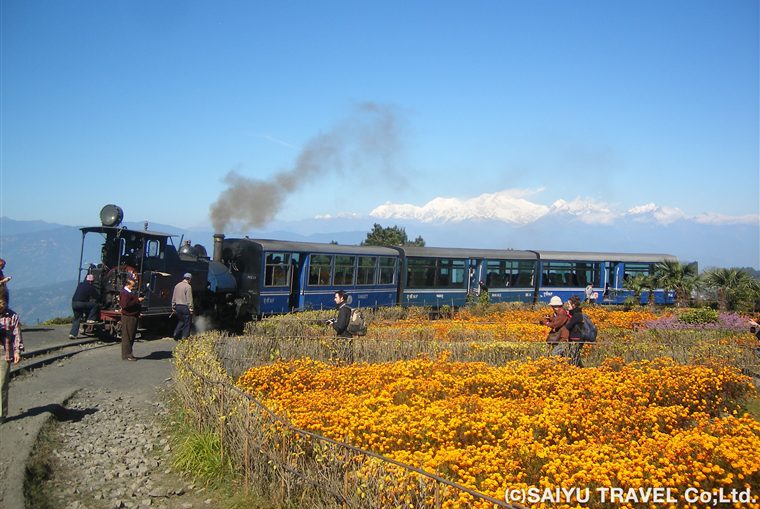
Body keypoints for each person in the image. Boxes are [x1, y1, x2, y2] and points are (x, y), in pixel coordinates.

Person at [0, 297, 23, 424]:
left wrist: (17, 351)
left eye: (3, 301)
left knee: (2, 383)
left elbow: (17, 334)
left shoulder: (12, 316)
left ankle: (1, 414)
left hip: (5, 352)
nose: (1, 304)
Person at [119, 277, 143, 361]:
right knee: (128, 336)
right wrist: (137, 300)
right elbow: (125, 305)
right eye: (132, 286)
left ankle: (128, 353)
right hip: (128, 316)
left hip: (132, 315)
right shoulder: (125, 293)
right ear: (128, 285)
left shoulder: (128, 292)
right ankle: (127, 355)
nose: (133, 287)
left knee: (130, 335)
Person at [69, 274, 100, 339]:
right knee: (95, 306)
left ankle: (73, 334)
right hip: (81, 303)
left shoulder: (80, 284)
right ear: (91, 281)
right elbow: (96, 296)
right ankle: (90, 319)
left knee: (77, 318)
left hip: (74, 303)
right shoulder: (90, 287)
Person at [327, 290, 353, 363]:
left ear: (341, 298)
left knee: (344, 358)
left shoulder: (344, 309)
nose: (334, 299)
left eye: (336, 297)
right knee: (346, 358)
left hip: (344, 338)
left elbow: (340, 327)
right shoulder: (346, 308)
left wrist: (333, 324)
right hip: (347, 337)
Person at [172, 273, 194, 340]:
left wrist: (173, 306)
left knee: (181, 321)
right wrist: (191, 308)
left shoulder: (177, 285)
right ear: (189, 279)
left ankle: (175, 333)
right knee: (187, 322)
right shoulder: (188, 286)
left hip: (178, 306)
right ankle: (185, 337)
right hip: (185, 307)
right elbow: (189, 298)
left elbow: (174, 297)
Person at [564, 295, 585, 367]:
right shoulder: (576, 313)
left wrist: (568, 316)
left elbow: (568, 326)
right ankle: (580, 370)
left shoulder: (576, 315)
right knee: (575, 356)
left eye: (569, 304)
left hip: (576, 338)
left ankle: (581, 370)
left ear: (573, 305)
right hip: (575, 338)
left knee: (575, 357)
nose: (567, 306)